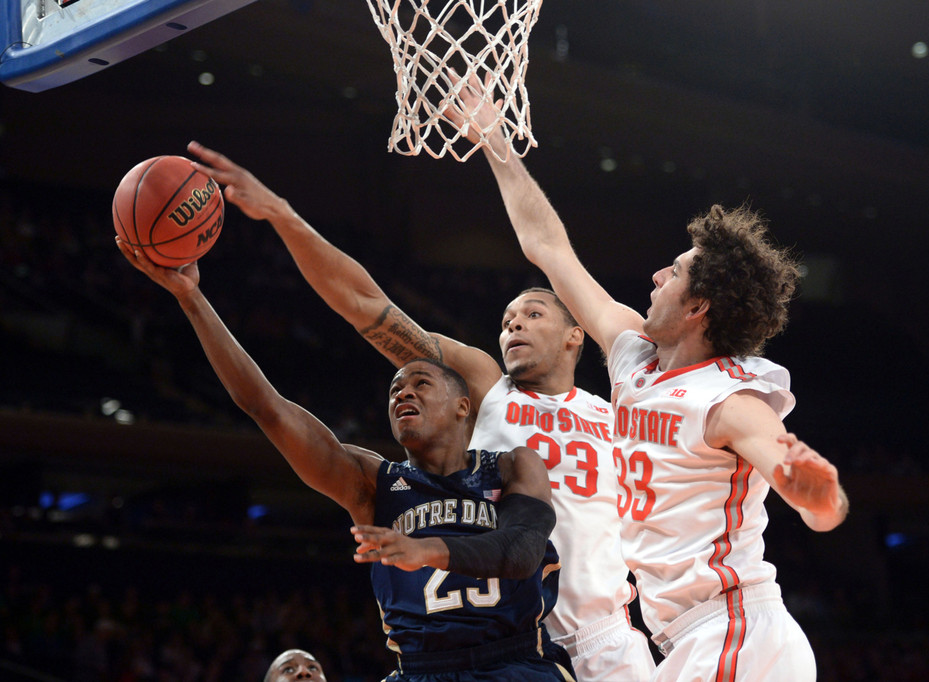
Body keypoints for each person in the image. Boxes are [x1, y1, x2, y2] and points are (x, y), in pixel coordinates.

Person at [186, 141, 656, 681]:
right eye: (506, 318)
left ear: (577, 334)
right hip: (509, 630)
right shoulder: (484, 386)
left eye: (532, 312)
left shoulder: (617, 413)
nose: (513, 325)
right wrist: (282, 216)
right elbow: (364, 304)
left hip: (606, 632)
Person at [447, 74, 850, 681]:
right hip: (689, 640)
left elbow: (813, 504)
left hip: (736, 630)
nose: (659, 273)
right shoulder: (632, 354)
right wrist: (495, 140)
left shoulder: (731, 401)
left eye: (678, 271)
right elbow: (547, 248)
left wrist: (821, 498)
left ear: (698, 308)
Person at [115, 238, 576, 682]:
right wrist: (191, 297)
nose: (403, 393)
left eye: (420, 383)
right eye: (395, 390)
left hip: (514, 661)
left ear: (462, 406)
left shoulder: (514, 466)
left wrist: (426, 550)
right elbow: (266, 406)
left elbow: (521, 553)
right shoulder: (373, 483)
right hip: (420, 670)